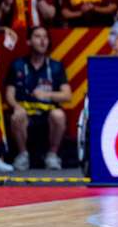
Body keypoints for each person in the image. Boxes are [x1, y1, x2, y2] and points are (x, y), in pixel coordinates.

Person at [5, 27, 71, 171]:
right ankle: (23, 155)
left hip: (47, 112)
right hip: (25, 111)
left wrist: (46, 95)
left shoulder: (56, 66)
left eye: (45, 37)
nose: (42, 41)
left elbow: (67, 95)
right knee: (17, 115)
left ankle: (52, 156)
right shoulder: (18, 65)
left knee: (59, 115)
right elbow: (9, 93)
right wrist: (16, 106)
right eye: (37, 37)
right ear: (28, 41)